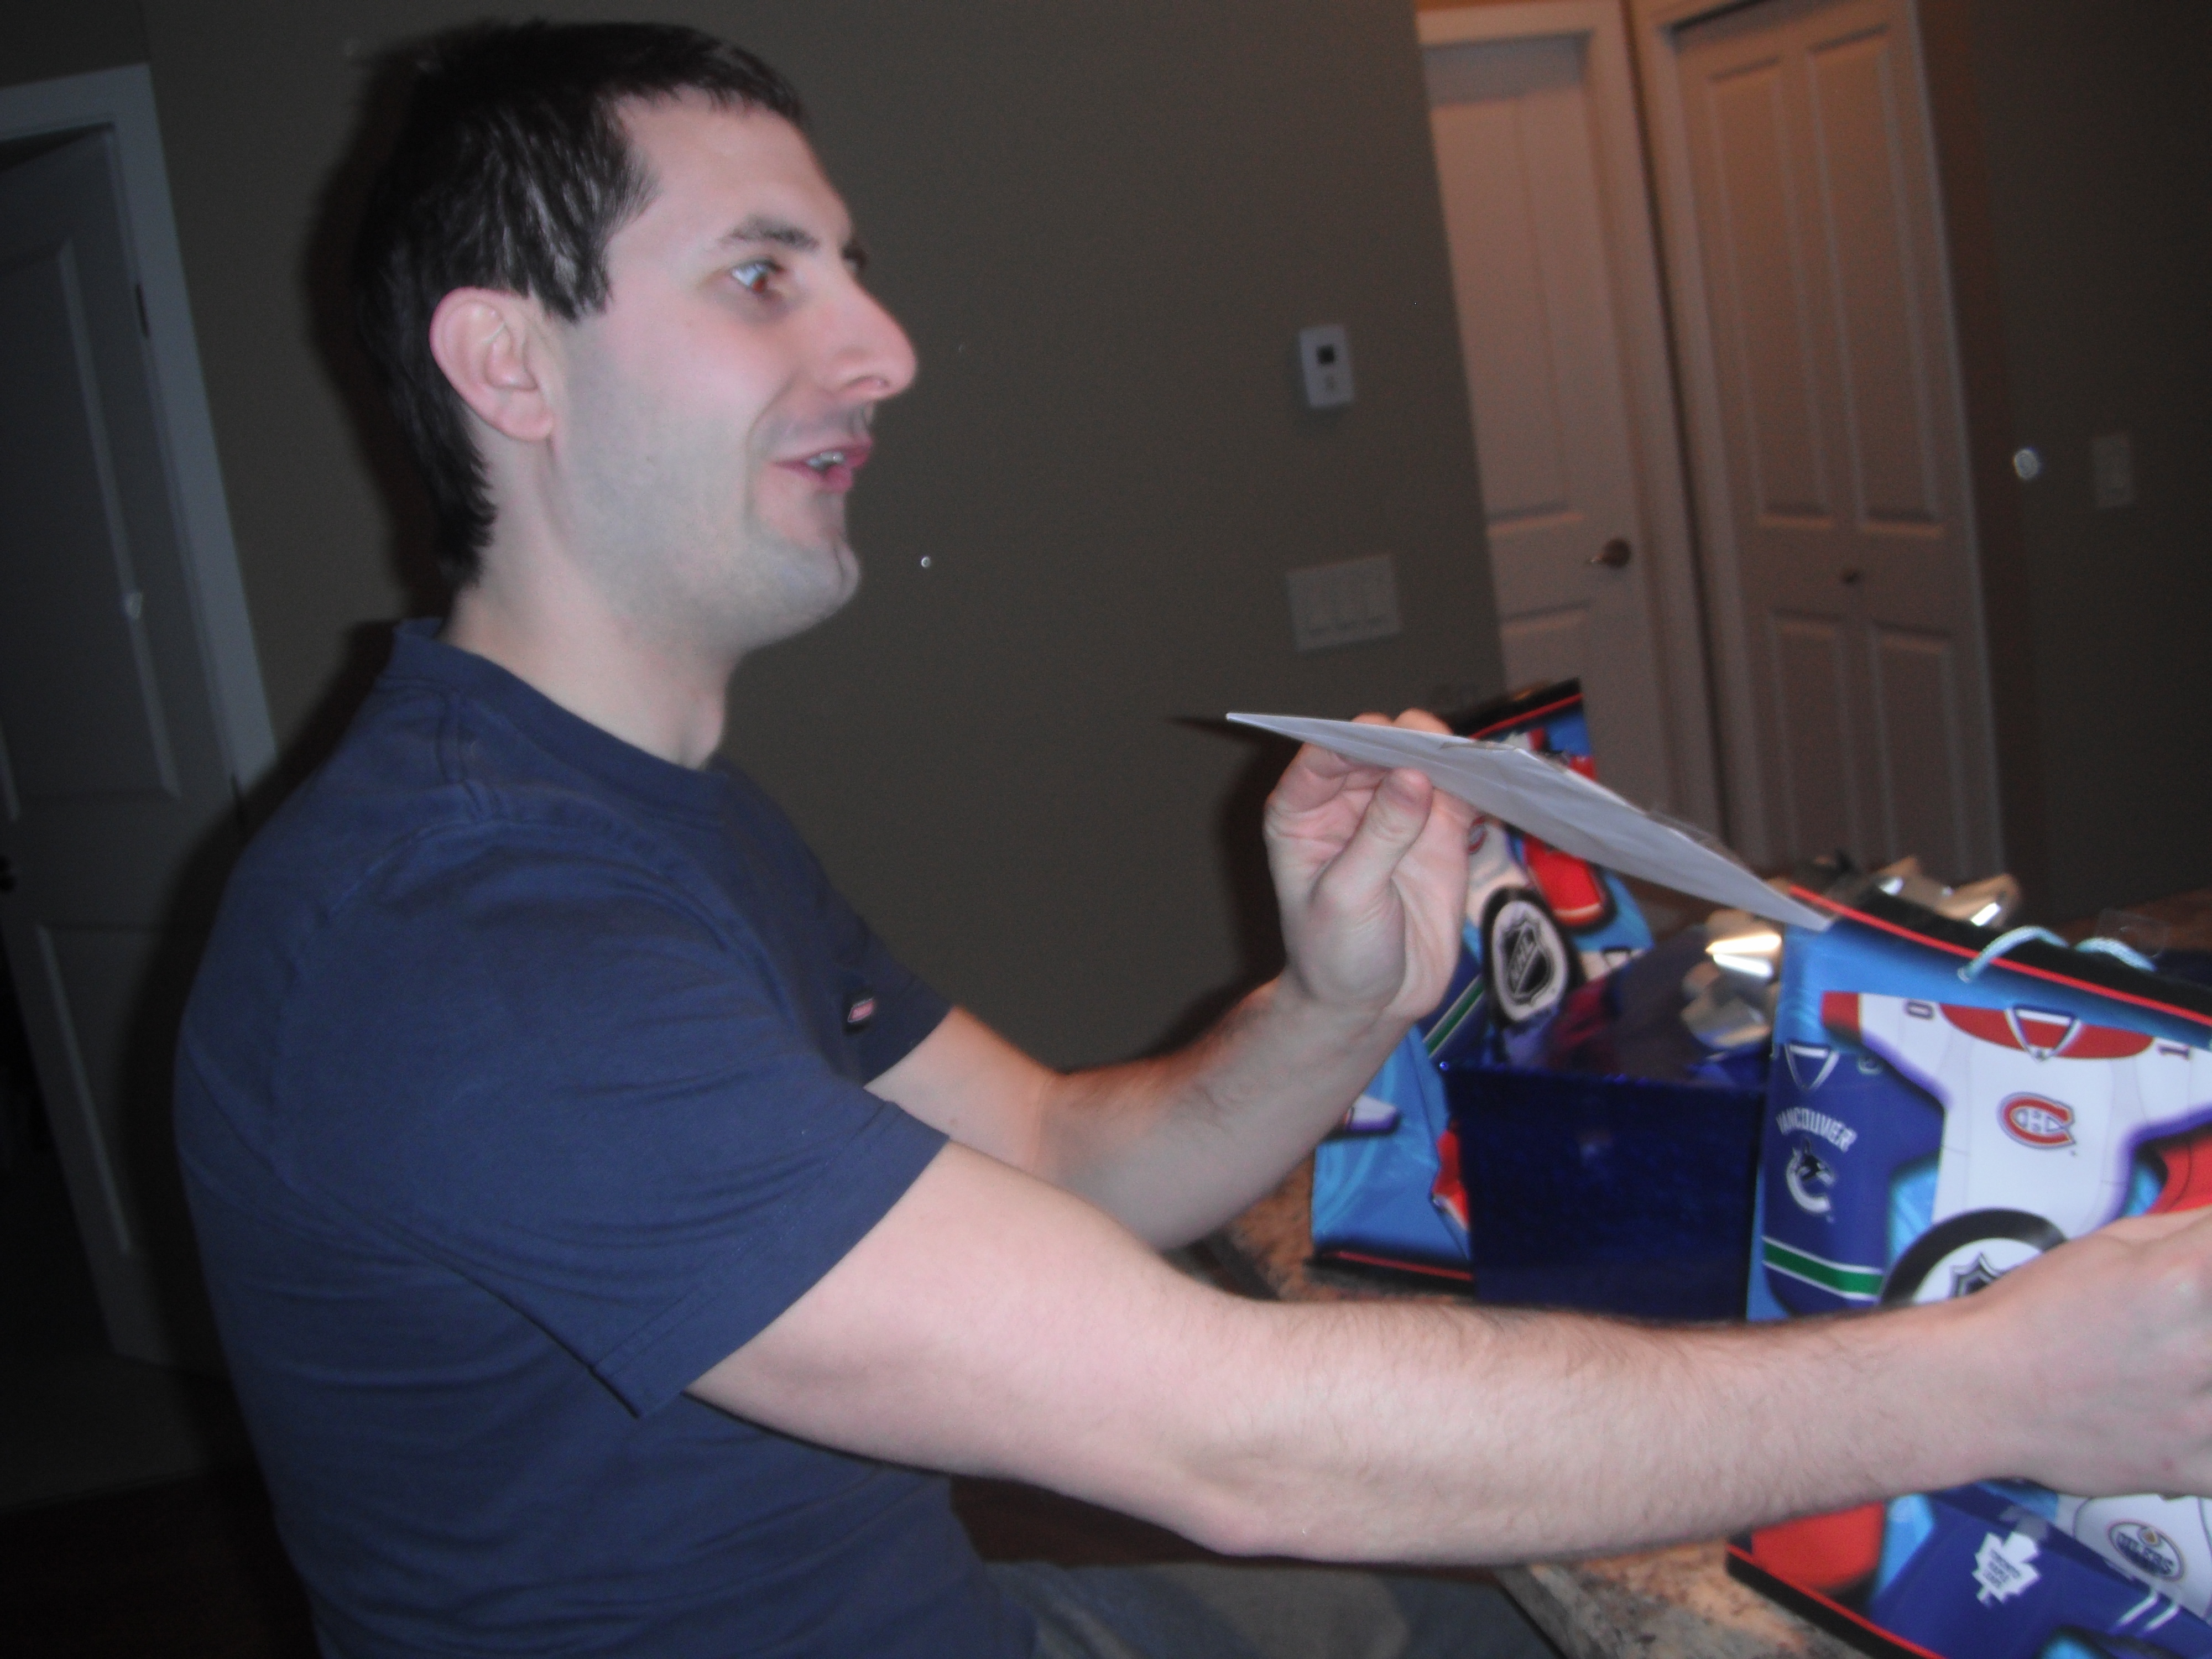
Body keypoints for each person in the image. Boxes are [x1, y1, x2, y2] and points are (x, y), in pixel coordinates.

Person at [174, 20, 2212, 1659]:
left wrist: (1339, 1000)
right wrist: (2000, 1382)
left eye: (851, 269)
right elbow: (1224, 1440)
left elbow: (1063, 1154)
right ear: (507, 363)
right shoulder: (463, 936)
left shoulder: (645, 822)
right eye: (764, 275)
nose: (884, 350)